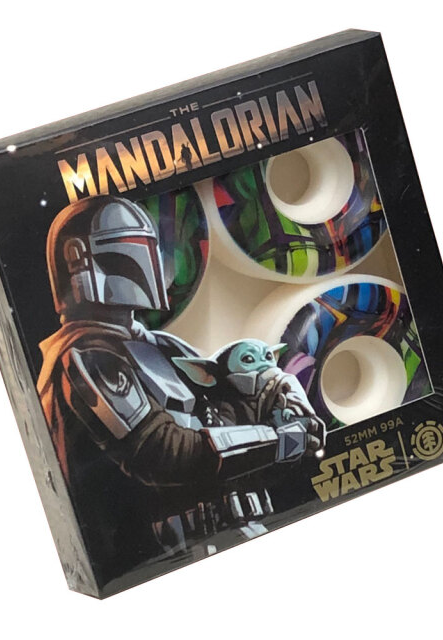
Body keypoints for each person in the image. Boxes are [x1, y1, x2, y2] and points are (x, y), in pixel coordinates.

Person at [36, 195, 323, 587]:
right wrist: (280, 440)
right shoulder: (85, 356)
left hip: (238, 533)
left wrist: (281, 395)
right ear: (79, 257)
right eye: (132, 246)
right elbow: (162, 452)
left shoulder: (162, 346)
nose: (148, 261)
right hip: (162, 560)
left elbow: (229, 410)